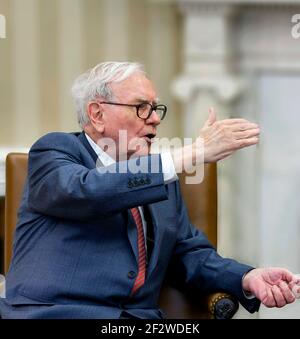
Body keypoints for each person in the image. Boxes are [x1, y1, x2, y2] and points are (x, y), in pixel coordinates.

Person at [0, 62, 298, 319]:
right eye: (142, 107)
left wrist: (248, 277)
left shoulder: (163, 180)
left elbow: (188, 254)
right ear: (97, 114)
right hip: (57, 314)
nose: (155, 118)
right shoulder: (55, 152)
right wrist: (193, 153)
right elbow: (86, 191)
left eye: (156, 109)